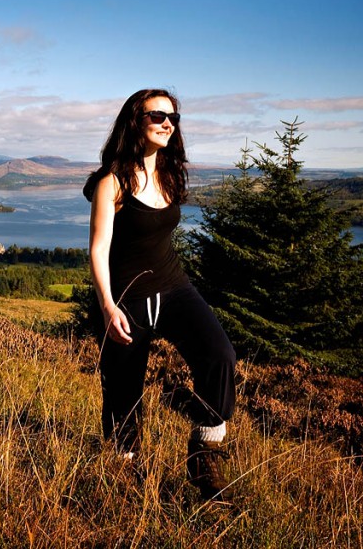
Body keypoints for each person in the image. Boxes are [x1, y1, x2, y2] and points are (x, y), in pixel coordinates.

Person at [83, 88, 237, 501]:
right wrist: (108, 305)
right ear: (136, 120)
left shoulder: (169, 173)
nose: (168, 123)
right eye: (157, 116)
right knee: (123, 392)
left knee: (219, 356)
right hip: (127, 298)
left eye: (173, 117)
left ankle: (204, 451)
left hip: (174, 287)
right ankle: (123, 472)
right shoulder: (111, 183)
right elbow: (98, 249)